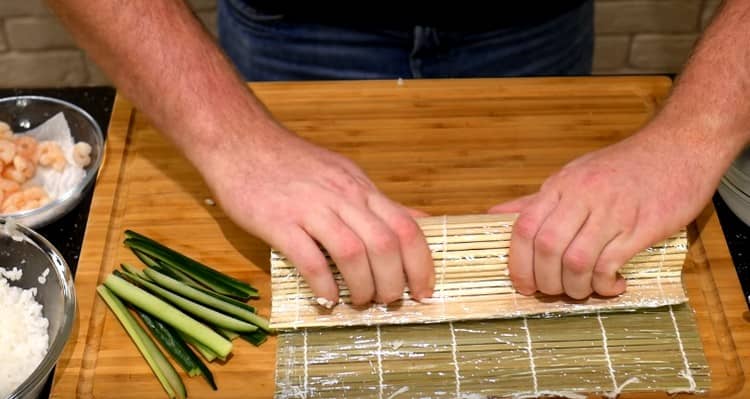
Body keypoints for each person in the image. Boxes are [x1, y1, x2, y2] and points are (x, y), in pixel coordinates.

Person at [47, 0, 750, 306]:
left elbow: (694, 134)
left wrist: (692, 133)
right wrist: (236, 144)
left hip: (536, 27)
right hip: (288, 26)